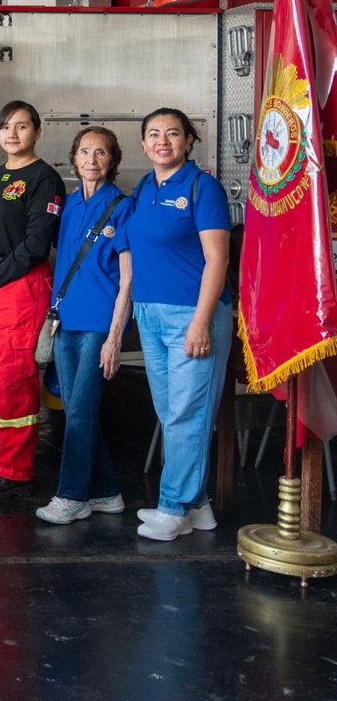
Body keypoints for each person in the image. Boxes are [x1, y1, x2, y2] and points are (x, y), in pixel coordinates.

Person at [119, 108, 232, 541]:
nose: (162, 141)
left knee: (188, 412)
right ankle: (198, 505)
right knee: (170, 412)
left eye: (172, 133)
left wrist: (201, 322)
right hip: (150, 313)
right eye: (153, 134)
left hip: (193, 314)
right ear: (144, 144)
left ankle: (173, 506)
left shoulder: (203, 187)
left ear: (188, 140)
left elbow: (217, 259)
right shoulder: (145, 187)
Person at [0, 100, 65, 500]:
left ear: (36, 132)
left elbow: (35, 245)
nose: (12, 134)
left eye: (22, 127)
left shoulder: (44, 179)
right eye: (6, 126)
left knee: (15, 377)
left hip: (21, 286)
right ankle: (4, 461)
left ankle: (16, 471)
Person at [36, 127, 133, 523]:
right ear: (74, 158)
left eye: (101, 153)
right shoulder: (70, 205)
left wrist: (114, 338)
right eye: (85, 152)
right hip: (66, 320)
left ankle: (72, 495)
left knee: (79, 410)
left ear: (113, 160)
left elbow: (128, 279)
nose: (92, 160)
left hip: (99, 324)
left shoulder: (123, 206)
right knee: (79, 409)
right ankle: (108, 493)